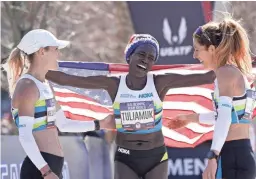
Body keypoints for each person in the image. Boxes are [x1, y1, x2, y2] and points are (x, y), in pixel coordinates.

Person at [45, 33, 216, 179]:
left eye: (151, 58)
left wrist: (227, 62)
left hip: (156, 156)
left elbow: (205, 77)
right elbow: (72, 80)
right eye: (141, 54)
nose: (145, 60)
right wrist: (37, 70)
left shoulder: (159, 82)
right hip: (125, 157)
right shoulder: (113, 84)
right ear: (130, 56)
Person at [4, 29, 115, 179]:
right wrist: (46, 171)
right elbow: (25, 136)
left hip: (51, 165)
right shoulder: (27, 86)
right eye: (56, 50)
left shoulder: (42, 84)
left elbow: (61, 124)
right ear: (42, 52)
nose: (59, 55)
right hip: (40, 170)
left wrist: (100, 124)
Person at [168, 17, 256, 179]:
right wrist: (191, 118)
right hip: (243, 152)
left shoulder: (224, 73)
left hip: (230, 154)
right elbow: (231, 117)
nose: (194, 55)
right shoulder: (233, 73)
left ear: (212, 49)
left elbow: (224, 118)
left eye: (197, 49)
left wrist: (213, 155)